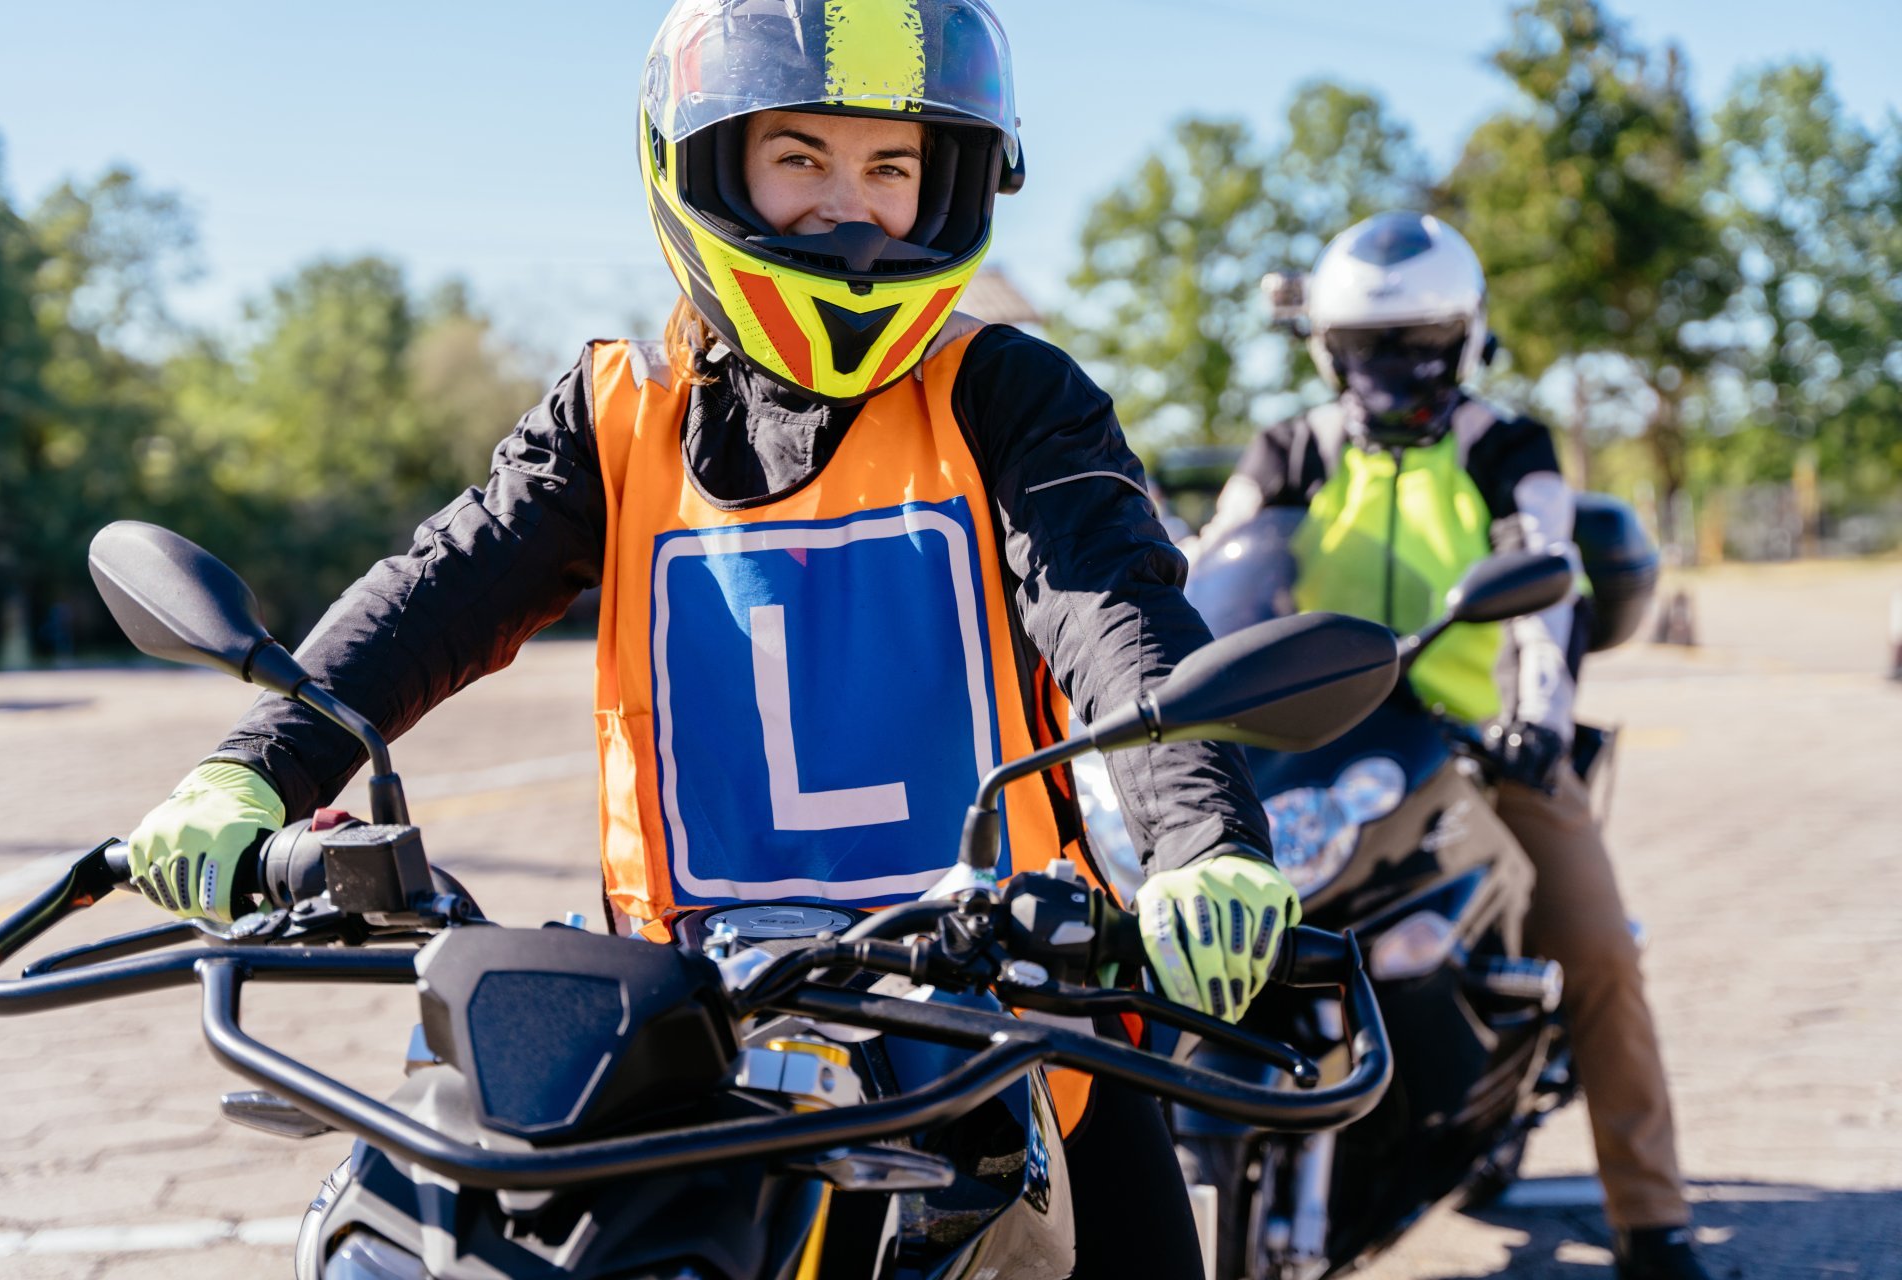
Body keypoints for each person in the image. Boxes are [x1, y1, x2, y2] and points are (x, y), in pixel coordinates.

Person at [121, 2, 1299, 1274]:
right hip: (699, 1038)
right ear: (702, 165)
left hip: (1005, 1024)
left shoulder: (1009, 391)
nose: (852, 206)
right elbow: (439, 589)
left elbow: (1116, 610)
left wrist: (1202, 841)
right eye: (801, 156)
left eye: (891, 165)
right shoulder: (615, 415)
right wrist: (256, 763)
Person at [1204, 210, 1710, 1280]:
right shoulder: (1290, 448)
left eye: (1420, 340)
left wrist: (1534, 713)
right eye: (1370, 344)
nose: (1394, 365)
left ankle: (1654, 1224)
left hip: (1479, 742)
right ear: (1328, 346)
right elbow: (1220, 566)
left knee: (1600, 952)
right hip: (1310, 741)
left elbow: (1545, 570)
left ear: (1466, 336)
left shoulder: (1505, 446)